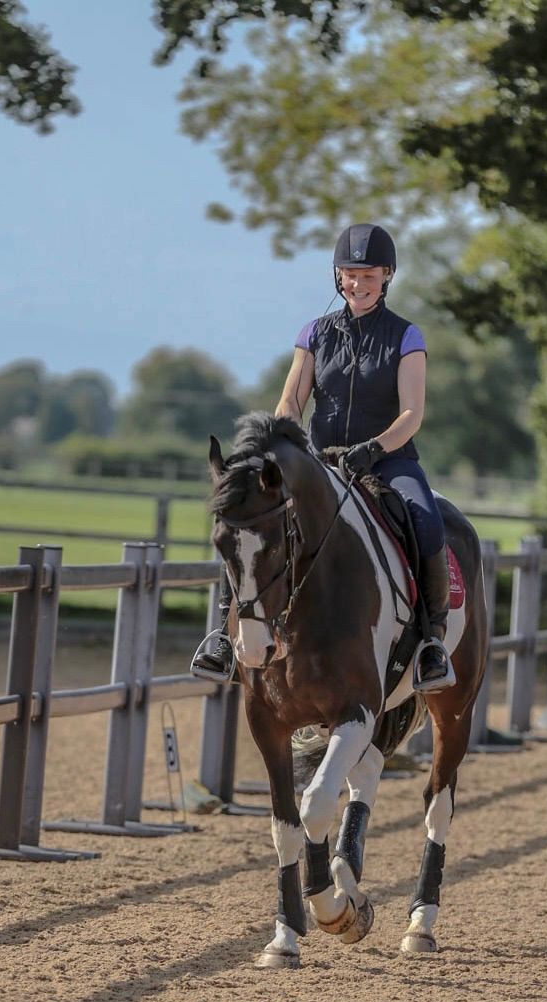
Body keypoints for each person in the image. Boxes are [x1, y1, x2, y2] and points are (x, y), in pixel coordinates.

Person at [192, 222, 453, 691]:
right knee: (248, 521)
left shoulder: (406, 336)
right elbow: (291, 402)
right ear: (337, 276)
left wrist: (373, 448)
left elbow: (412, 413)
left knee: (427, 519)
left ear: (387, 276)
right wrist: (283, 443)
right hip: (319, 460)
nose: (357, 284)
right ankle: (221, 632)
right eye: (349, 274)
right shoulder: (314, 333)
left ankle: (432, 642)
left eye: (368, 275)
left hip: (387, 460)